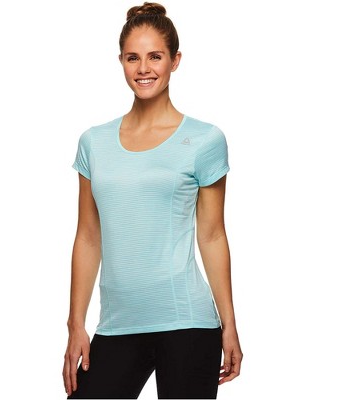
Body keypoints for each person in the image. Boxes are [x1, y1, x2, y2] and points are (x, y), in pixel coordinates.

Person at [62, 2, 243, 399]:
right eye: (133, 58)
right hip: (117, 325)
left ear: (175, 61)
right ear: (121, 62)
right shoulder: (94, 143)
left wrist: (229, 323)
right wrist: (76, 324)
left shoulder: (205, 140)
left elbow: (212, 235)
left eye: (155, 56)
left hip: (187, 321)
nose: (143, 68)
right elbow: (88, 237)